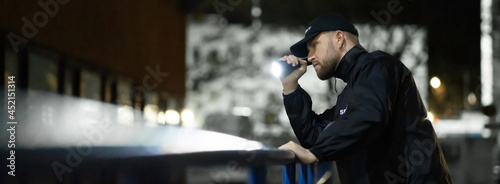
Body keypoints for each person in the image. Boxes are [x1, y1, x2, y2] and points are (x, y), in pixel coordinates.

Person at [277, 14, 452, 184]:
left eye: (315, 44)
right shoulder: (350, 94)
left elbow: (368, 115)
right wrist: (290, 88)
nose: (310, 56)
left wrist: (316, 153)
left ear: (339, 38)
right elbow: (315, 137)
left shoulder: (378, 65)